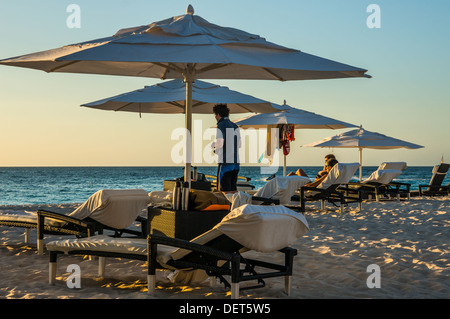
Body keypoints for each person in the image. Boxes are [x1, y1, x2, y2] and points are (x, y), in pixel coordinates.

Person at [211, 104, 241, 193]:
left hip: (226, 162)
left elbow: (220, 143)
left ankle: (226, 206)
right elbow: (239, 144)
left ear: (218, 114)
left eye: (215, 115)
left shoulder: (221, 125)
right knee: (233, 190)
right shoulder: (235, 126)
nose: (215, 117)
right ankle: (233, 206)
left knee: (224, 190)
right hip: (236, 162)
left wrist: (214, 145)